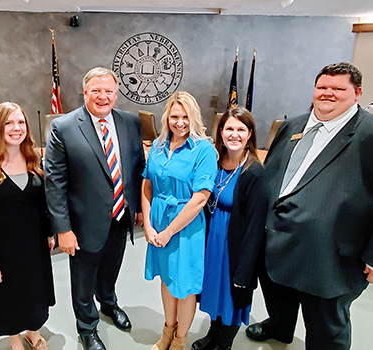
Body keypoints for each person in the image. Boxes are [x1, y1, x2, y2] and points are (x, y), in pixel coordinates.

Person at [245, 62, 373, 350]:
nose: (328, 93)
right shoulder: (293, 126)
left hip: (330, 255)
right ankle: (279, 326)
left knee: (326, 325)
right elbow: (274, 174)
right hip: (277, 239)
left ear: (357, 93)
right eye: (322, 87)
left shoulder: (369, 134)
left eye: (338, 89)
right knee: (278, 296)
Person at [45, 67, 145, 350]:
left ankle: (109, 304)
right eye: (96, 91)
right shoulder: (63, 127)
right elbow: (55, 184)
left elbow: (136, 167)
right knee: (83, 278)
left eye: (109, 91)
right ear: (85, 92)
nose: (103, 97)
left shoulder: (130, 123)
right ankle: (87, 328)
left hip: (120, 216)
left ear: (116, 94)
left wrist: (136, 206)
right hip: (82, 224)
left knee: (111, 268)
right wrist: (62, 229)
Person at [0, 102, 55, 350]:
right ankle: (15, 339)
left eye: (21, 122)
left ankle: (33, 332)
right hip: (1, 251)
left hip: (33, 246)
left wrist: (49, 233)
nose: (17, 128)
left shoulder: (33, 160)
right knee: (10, 296)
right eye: (9, 123)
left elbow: (41, 204)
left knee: (34, 292)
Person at [142, 91, 217, 350]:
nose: (180, 122)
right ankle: (167, 330)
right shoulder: (158, 145)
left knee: (184, 285)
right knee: (166, 279)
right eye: (175, 116)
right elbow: (147, 185)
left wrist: (168, 232)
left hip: (186, 226)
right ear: (167, 117)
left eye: (186, 116)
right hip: (159, 221)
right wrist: (150, 226)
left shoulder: (204, 149)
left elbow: (200, 198)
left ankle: (181, 338)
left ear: (194, 117)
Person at [192, 107, 268, 350]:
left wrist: (245, 270)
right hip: (211, 240)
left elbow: (256, 229)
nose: (234, 134)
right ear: (221, 132)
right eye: (229, 129)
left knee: (231, 296)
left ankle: (223, 343)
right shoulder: (213, 163)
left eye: (241, 129)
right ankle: (213, 333)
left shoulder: (254, 173)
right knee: (213, 291)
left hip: (234, 246)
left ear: (249, 134)